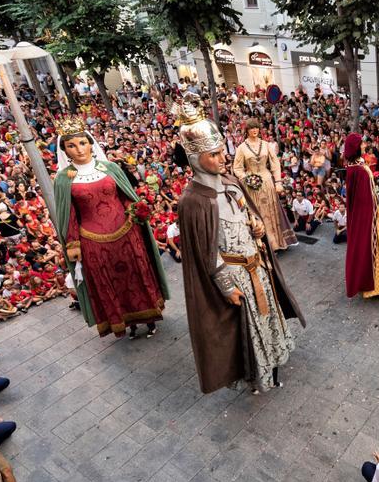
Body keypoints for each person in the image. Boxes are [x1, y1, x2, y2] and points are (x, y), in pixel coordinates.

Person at [173, 97, 305, 394]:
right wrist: (226, 285)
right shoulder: (193, 201)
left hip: (258, 266)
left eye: (222, 152)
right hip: (235, 277)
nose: (222, 159)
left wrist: (257, 226)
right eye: (214, 155)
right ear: (195, 158)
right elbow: (204, 251)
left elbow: (248, 214)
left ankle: (274, 365)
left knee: (269, 319)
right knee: (248, 331)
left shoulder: (232, 182)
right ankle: (255, 376)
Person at [53, 115, 169, 338]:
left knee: (138, 275)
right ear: (65, 151)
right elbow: (68, 216)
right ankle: (126, 323)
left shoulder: (110, 167)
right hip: (92, 242)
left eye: (82, 143)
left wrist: (135, 209)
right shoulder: (63, 179)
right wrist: (72, 243)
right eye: (71, 145)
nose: (78, 149)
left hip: (127, 233)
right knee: (111, 284)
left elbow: (124, 195)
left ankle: (151, 317)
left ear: (90, 143)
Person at [343, 132, 379, 298]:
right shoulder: (358, 170)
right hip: (367, 215)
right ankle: (373, 286)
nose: (364, 146)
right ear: (355, 148)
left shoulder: (356, 166)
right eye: (361, 144)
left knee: (371, 246)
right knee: (370, 246)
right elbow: (363, 199)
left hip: (369, 213)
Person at [232, 118, 296, 251]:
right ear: (247, 130)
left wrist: (278, 182)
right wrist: (247, 178)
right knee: (258, 213)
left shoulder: (266, 145)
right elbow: (237, 168)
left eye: (256, 128)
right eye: (251, 128)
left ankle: (278, 243)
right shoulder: (241, 148)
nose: (254, 130)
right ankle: (266, 245)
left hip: (267, 181)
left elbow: (275, 163)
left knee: (272, 212)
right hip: (252, 185)